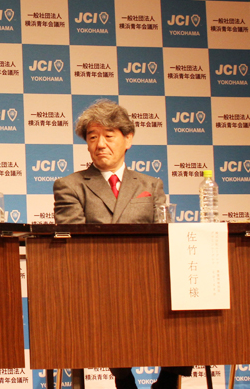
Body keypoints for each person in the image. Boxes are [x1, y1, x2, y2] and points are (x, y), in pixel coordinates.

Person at [53, 99, 191, 389]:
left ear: (128, 139)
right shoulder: (70, 185)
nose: (100, 144)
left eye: (108, 135)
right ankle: (124, 378)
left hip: (149, 280)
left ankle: (168, 378)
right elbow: (72, 245)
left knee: (187, 295)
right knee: (111, 302)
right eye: (93, 137)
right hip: (97, 282)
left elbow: (165, 236)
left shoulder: (150, 185)